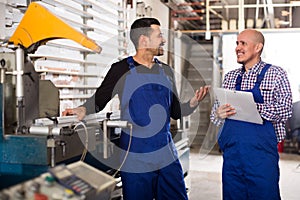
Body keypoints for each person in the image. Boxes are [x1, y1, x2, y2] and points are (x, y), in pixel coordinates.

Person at [63, 17, 209, 200]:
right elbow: (99, 100)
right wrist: (82, 110)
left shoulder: (166, 71)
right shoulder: (120, 69)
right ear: (143, 40)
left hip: (165, 150)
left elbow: (175, 112)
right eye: (159, 35)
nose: (163, 40)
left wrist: (193, 103)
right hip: (135, 152)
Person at [210, 29, 292, 199]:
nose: (238, 48)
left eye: (243, 43)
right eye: (237, 43)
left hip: (261, 157)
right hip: (232, 156)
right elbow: (215, 117)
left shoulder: (276, 74)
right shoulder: (230, 77)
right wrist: (218, 113)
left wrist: (252, 107)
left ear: (257, 47)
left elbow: (285, 109)